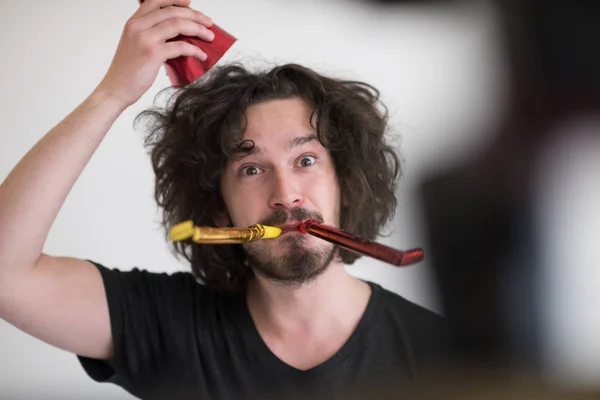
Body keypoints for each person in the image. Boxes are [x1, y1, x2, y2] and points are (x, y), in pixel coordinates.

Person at [0, 0, 446, 398]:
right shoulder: (166, 326)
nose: (286, 194)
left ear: (346, 185)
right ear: (218, 206)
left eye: (306, 160)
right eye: (251, 169)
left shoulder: (441, 356)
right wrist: (112, 94)